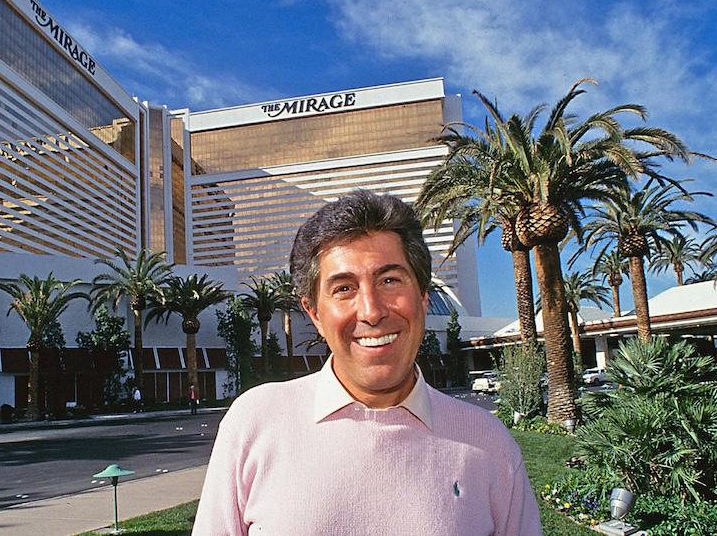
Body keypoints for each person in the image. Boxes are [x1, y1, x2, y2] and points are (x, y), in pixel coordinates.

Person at [193, 191, 542, 534]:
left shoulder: (488, 443)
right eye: (344, 288)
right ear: (313, 312)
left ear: (422, 298)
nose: (372, 311)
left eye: (390, 280)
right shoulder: (255, 423)